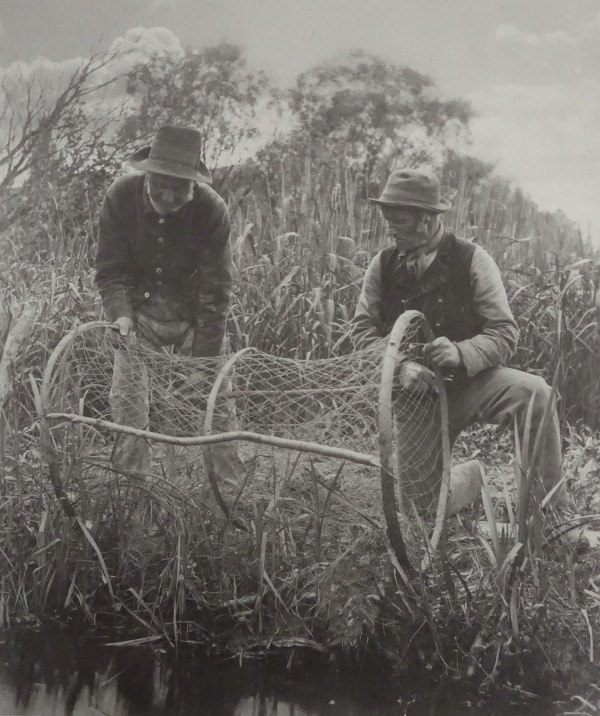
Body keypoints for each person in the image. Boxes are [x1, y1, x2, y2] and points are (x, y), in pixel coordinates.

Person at [352, 168, 575, 523]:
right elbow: (362, 334)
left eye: (398, 221)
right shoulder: (381, 266)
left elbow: (504, 332)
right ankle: (472, 477)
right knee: (420, 511)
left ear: (426, 220)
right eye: (387, 219)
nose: (389, 229)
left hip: (473, 382)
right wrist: (400, 368)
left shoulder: (473, 259)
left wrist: (462, 352)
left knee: (535, 394)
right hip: (416, 394)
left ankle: (550, 513)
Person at [95, 124, 244, 484]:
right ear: (148, 174)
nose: (169, 195)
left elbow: (215, 292)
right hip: (139, 317)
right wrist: (121, 317)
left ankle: (229, 493)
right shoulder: (120, 197)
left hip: (194, 318)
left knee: (217, 404)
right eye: (161, 184)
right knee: (127, 402)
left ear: (194, 184)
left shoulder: (212, 210)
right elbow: (111, 271)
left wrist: (205, 364)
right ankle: (134, 491)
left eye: (180, 188)